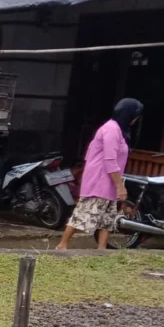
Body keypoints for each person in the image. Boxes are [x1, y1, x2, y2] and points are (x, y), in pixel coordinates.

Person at [57, 98, 144, 250]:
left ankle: (101, 249)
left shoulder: (120, 130)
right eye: (135, 115)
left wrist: (117, 184)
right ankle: (62, 245)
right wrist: (120, 186)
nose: (136, 119)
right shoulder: (111, 130)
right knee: (84, 214)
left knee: (107, 218)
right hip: (100, 181)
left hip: (110, 182)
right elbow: (109, 159)